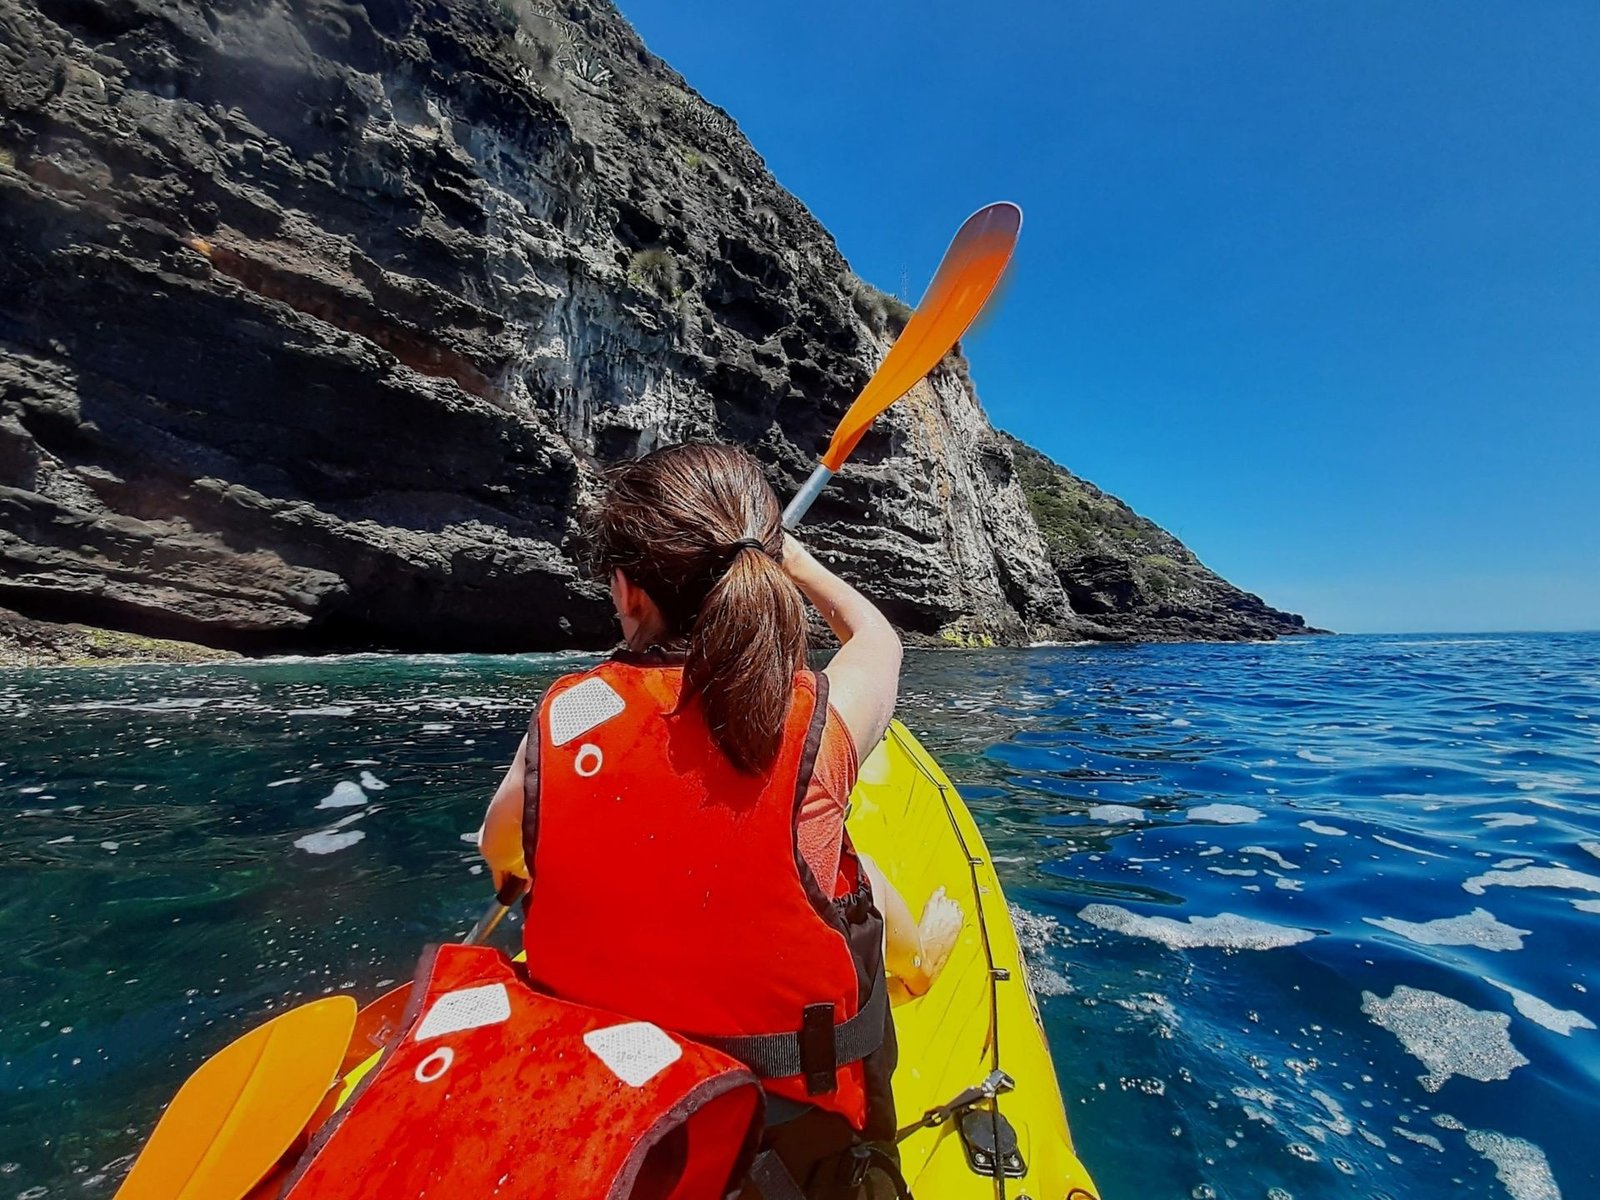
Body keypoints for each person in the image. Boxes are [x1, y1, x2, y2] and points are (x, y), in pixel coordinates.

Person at [478, 442, 961, 1197]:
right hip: (780, 1139)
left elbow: (500, 846)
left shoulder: (568, 717)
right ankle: (917, 962)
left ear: (627, 590)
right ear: (762, 568)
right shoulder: (821, 723)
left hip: (597, 1118)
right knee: (843, 867)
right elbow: (878, 641)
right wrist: (799, 563)